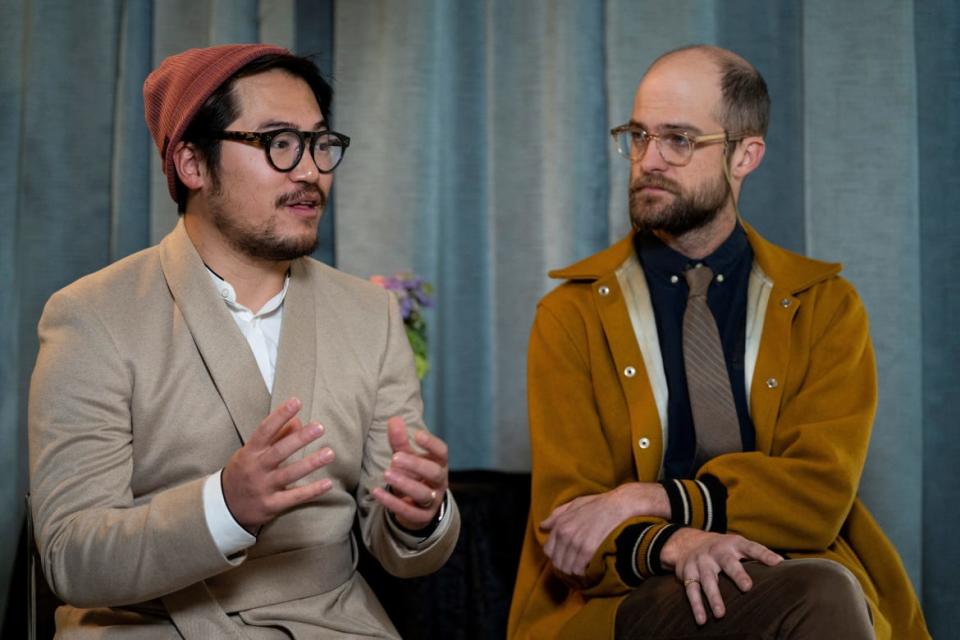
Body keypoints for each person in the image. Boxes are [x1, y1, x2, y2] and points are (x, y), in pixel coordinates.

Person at [28, 43, 459, 638]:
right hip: (151, 624)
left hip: (333, 622)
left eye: (320, 144)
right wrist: (224, 506)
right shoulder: (92, 317)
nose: (309, 170)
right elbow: (71, 556)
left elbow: (401, 551)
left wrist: (421, 515)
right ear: (192, 165)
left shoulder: (371, 315)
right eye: (278, 143)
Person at [508, 45, 929, 639]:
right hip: (634, 594)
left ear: (745, 155)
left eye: (679, 139)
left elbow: (817, 496)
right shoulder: (570, 315)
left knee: (823, 589)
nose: (649, 159)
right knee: (821, 596)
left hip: (788, 572)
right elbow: (571, 526)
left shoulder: (825, 307)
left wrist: (649, 498)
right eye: (638, 135)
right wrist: (680, 542)